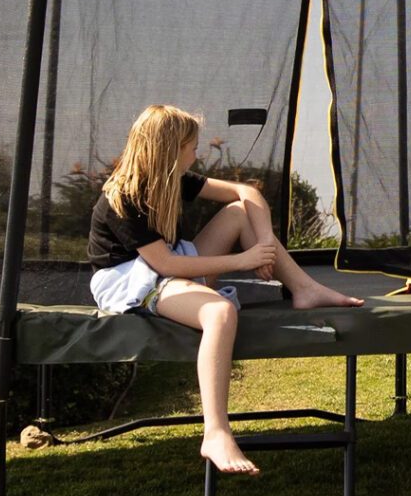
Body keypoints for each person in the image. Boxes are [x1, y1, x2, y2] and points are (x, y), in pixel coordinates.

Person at [88, 104, 364, 475]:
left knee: (238, 211)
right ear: (170, 149)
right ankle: (215, 432)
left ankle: (303, 287)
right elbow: (164, 267)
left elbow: (246, 193)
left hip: (171, 263)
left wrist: (264, 244)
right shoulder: (123, 197)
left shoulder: (173, 178)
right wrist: (243, 260)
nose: (196, 154)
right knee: (218, 311)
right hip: (132, 280)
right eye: (191, 146)